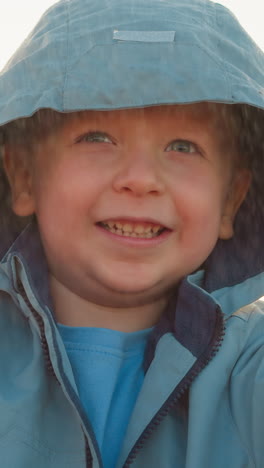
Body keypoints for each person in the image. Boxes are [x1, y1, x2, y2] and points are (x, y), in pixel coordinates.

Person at [0, 0, 263, 466]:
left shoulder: (250, 360)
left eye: (183, 146)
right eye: (97, 137)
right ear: (23, 177)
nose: (140, 178)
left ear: (231, 200)